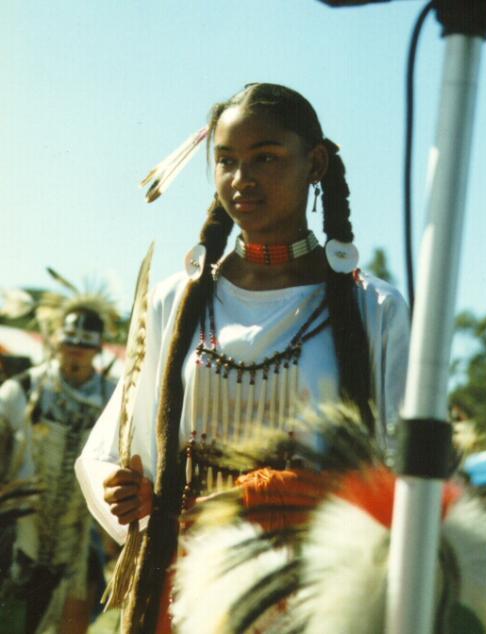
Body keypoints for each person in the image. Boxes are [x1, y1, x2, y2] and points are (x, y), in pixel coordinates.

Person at [75, 82, 410, 633]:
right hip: (188, 588)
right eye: (226, 161)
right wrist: (129, 491)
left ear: (316, 164)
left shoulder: (373, 308)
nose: (241, 179)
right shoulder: (176, 300)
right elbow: (110, 450)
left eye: (266, 158)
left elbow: (400, 464)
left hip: (317, 590)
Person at [0, 301, 117, 634]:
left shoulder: (115, 399)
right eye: (70, 342)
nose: (76, 352)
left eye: (85, 344)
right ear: (54, 341)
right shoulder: (20, 390)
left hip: (79, 540)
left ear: (98, 348)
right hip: (19, 534)